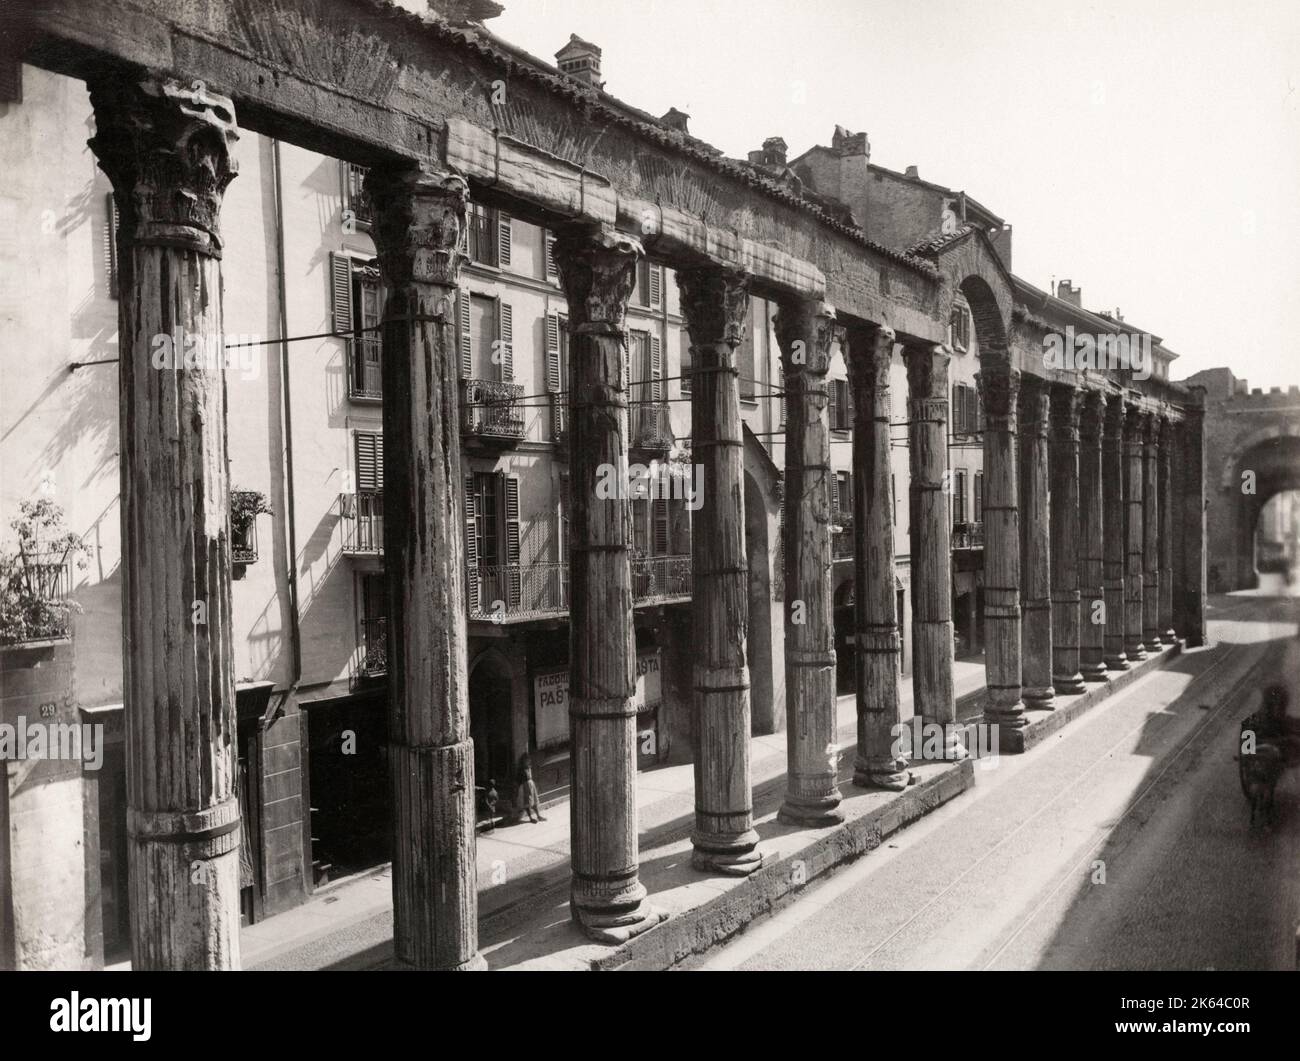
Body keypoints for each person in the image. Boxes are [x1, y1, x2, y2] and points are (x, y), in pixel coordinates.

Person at [515, 752, 545, 824]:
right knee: (527, 802)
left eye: (529, 760)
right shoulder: (521, 769)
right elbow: (518, 779)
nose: (528, 761)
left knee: (534, 800)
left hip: (531, 784)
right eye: (527, 760)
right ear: (523, 761)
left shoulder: (529, 767)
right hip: (525, 786)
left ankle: (538, 815)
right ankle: (531, 817)